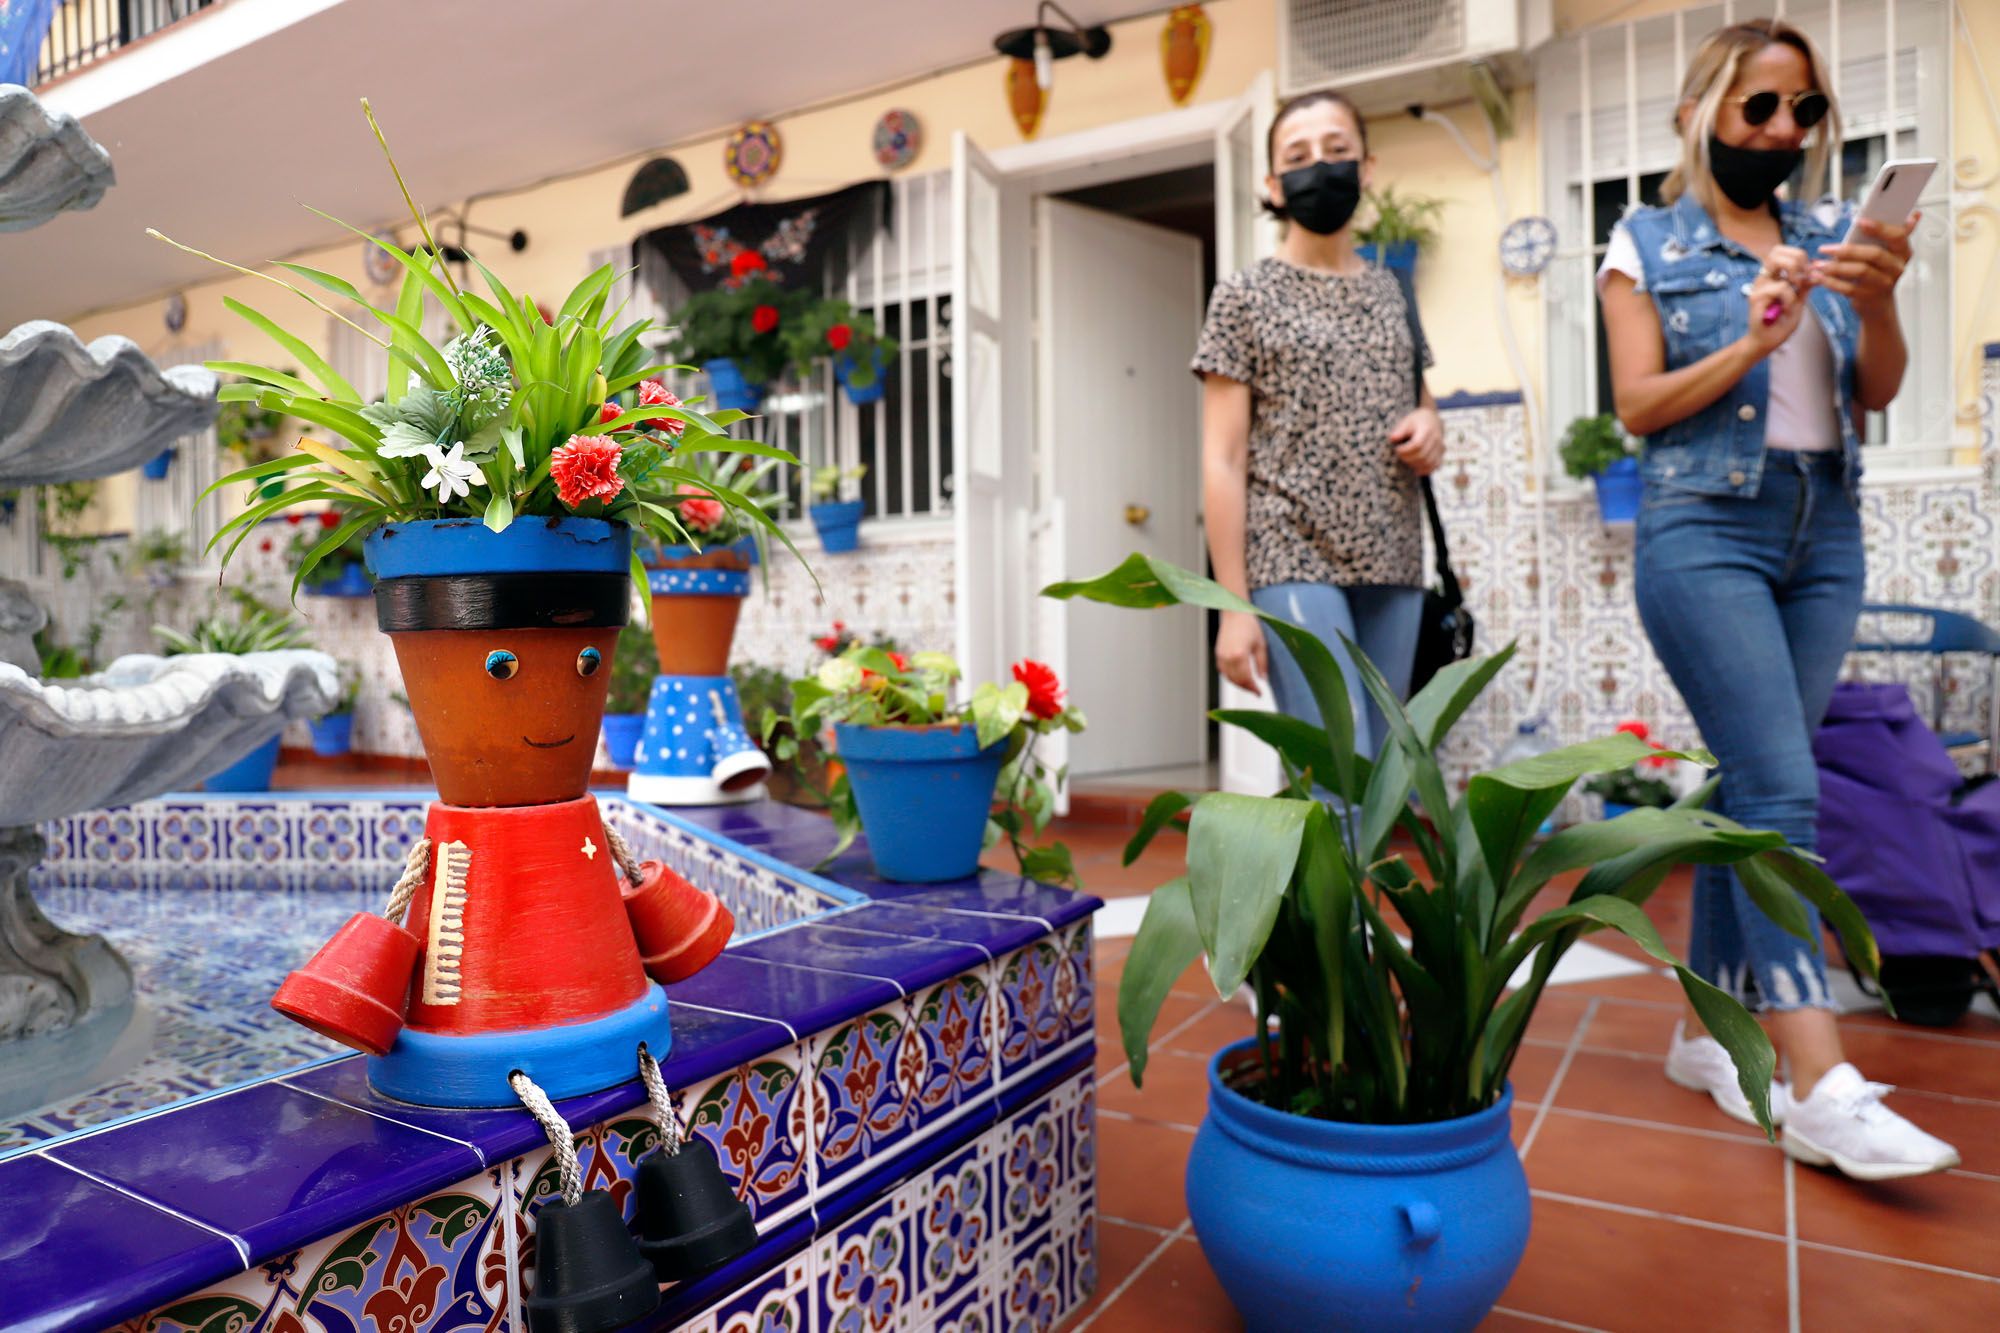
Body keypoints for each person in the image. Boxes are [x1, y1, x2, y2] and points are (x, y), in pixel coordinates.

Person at [1598, 18, 1958, 1179]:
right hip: (1702, 529)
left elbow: (1875, 392)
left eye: (1803, 111)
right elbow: (1639, 408)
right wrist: (1752, 342)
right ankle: (1816, 1080)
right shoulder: (1641, 240)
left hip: (1824, 531)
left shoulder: (1828, 230)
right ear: (1702, 108)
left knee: (1749, 787)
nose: (1784, 132)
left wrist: (1883, 293)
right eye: (1759, 107)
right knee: (1780, 791)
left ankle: (1704, 1031)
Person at [1192, 90, 1443, 766]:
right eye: (1298, 157)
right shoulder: (1243, 295)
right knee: (1340, 764)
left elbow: (1423, 405)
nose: (1320, 167)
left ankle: (1337, 878)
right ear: (1273, 185)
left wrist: (1430, 426)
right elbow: (1223, 458)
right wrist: (1232, 605)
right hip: (1288, 550)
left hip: (1392, 555)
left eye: (1337, 151)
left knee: (1388, 768)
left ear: (1367, 168)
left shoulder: (1395, 290)